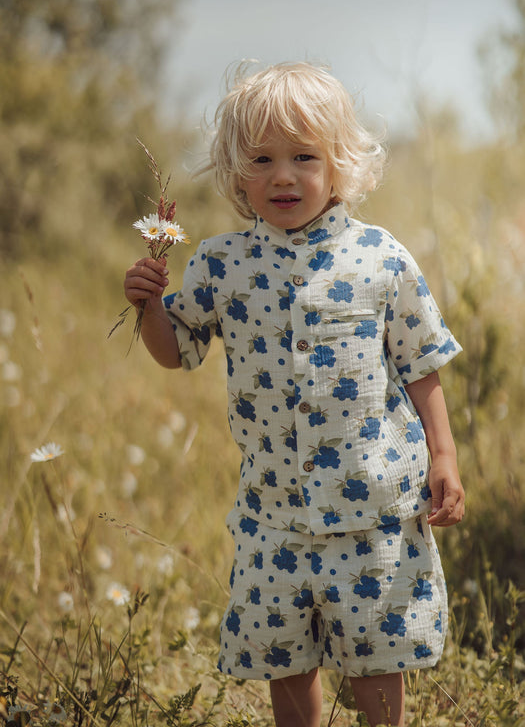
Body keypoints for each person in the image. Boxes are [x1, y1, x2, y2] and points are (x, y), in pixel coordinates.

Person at [123, 62, 465, 727]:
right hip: (273, 516)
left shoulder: (380, 258)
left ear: (339, 167)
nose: (283, 175)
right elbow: (177, 352)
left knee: (376, 656)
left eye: (304, 157)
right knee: (283, 658)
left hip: (372, 510)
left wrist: (443, 457)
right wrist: (148, 310)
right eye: (263, 158)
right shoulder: (221, 264)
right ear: (235, 171)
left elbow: (421, 363)